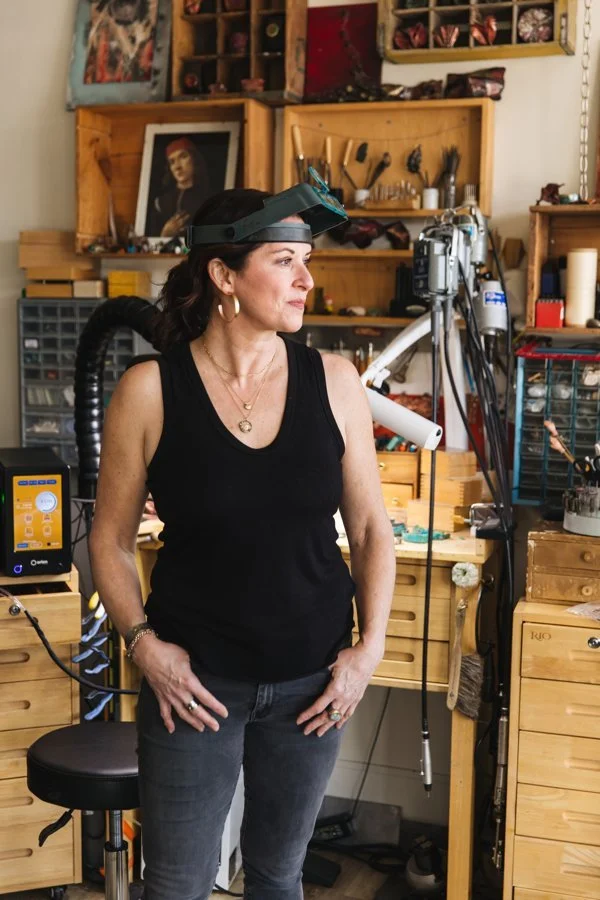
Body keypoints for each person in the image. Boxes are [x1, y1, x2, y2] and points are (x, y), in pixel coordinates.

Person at [89, 187, 396, 900]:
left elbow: (371, 529)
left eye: (307, 260)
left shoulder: (335, 381)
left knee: (278, 876)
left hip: (313, 684)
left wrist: (369, 650)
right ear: (223, 275)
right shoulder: (149, 391)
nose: (306, 279)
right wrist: (143, 645)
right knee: (177, 884)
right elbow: (109, 541)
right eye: (284, 260)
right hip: (192, 685)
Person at [149, 137, 211, 238]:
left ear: (194, 159)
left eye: (183, 157)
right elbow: (152, 241)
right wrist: (165, 234)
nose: (177, 167)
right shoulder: (160, 202)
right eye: (172, 162)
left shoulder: (207, 199)